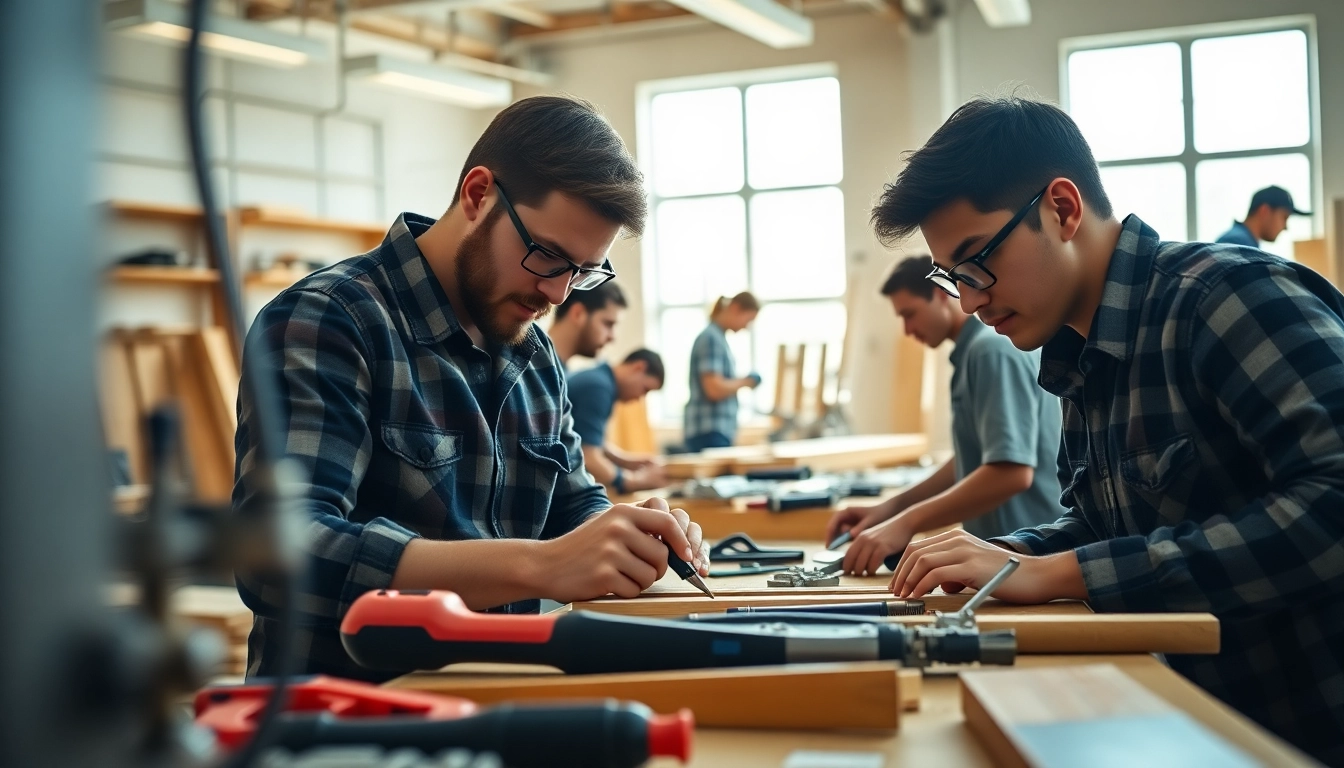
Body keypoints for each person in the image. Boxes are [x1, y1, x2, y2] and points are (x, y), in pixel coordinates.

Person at [868, 94, 1344, 763]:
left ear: (1061, 209)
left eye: (978, 264)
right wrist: (1007, 556)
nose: (971, 302)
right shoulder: (1078, 357)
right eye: (953, 278)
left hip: (1300, 730)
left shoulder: (1226, 297)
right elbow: (1106, 527)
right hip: (1185, 723)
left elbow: (1334, 503)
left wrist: (1066, 573)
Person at [233, 96, 709, 683]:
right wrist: (540, 566)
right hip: (349, 720)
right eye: (547, 255)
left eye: (582, 272)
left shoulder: (535, 356)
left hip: (505, 700)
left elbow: (570, 503)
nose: (559, 294)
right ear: (478, 193)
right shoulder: (328, 319)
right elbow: (277, 555)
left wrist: (625, 535)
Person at [825, 256, 1065, 576]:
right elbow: (974, 461)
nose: (907, 330)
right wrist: (890, 510)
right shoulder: (971, 354)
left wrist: (908, 522)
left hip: (1027, 558)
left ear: (941, 295)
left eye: (909, 314)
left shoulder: (990, 351)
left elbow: (1010, 472)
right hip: (1004, 560)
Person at [568, 349, 668, 494]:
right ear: (638, 367)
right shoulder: (598, 388)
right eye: (645, 389)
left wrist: (627, 462)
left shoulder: (598, 379)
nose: (640, 398)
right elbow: (589, 456)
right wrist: (635, 480)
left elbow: (588, 439)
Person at [683, 292, 761, 452]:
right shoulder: (711, 339)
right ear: (736, 308)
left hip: (715, 431)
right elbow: (713, 388)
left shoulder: (718, 339)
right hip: (709, 431)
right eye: (748, 319)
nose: (747, 326)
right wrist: (746, 382)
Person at [547, 280, 628, 367]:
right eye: (608, 324)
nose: (612, 337)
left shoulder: (554, 370)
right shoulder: (537, 369)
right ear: (578, 314)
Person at [1214, 185, 1311, 247]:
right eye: (1284, 217)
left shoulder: (1245, 243)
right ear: (1264, 210)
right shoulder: (1236, 244)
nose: (1285, 227)